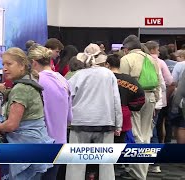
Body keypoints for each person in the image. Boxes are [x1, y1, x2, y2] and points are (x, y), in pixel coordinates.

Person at [0, 47, 53, 180]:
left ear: (22, 66)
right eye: (3, 64)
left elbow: (12, 125)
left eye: (9, 64)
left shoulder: (20, 89)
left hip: (26, 148)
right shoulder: (30, 83)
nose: (4, 68)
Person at [66, 44, 122, 180]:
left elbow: (68, 98)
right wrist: (118, 124)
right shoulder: (109, 75)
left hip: (79, 122)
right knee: (106, 163)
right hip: (105, 121)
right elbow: (116, 100)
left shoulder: (77, 76)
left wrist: (68, 120)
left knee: (76, 162)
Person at [28, 45, 72, 180]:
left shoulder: (35, 81)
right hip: (60, 143)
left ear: (34, 62)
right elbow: (70, 117)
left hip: (41, 142)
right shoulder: (63, 79)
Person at [119, 35, 160, 180]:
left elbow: (122, 82)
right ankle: (141, 169)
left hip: (134, 100)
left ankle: (138, 173)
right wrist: (155, 101)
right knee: (146, 134)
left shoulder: (126, 59)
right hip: (150, 99)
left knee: (136, 135)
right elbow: (158, 81)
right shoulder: (151, 59)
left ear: (126, 48)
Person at [105, 54, 145, 143]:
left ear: (107, 64)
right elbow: (141, 97)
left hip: (105, 115)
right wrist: (131, 107)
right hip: (124, 115)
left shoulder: (103, 78)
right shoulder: (130, 80)